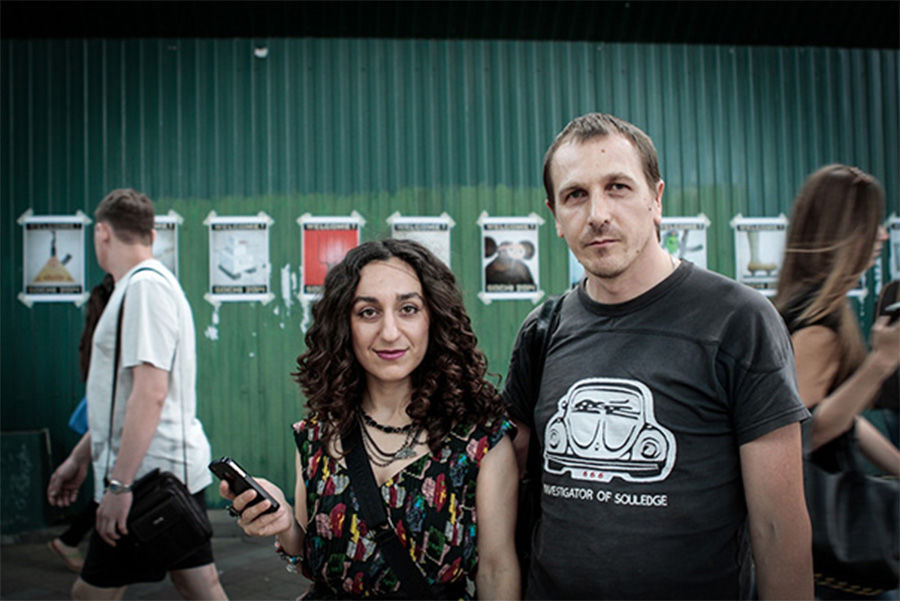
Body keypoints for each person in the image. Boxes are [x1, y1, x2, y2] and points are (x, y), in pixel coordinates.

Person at [503, 113, 813, 599]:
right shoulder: (543, 330)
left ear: (656, 199)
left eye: (618, 187)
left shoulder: (738, 322)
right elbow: (507, 482)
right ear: (556, 217)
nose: (598, 213)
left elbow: (778, 529)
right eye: (575, 195)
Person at [222, 239, 520, 599]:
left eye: (408, 309)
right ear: (343, 324)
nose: (390, 332)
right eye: (368, 312)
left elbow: (496, 570)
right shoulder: (317, 436)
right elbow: (310, 564)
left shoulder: (480, 441)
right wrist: (283, 522)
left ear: (434, 318)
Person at [46, 188, 227, 600]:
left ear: (102, 233)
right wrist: (80, 458)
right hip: (155, 473)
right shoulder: (139, 287)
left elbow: (149, 393)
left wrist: (119, 487)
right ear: (151, 234)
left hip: (148, 480)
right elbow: (122, 398)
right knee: (199, 584)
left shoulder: (144, 289)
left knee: (91, 594)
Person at [773, 166, 900, 598]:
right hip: (828, 533)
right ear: (847, 233)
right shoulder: (819, 323)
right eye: (872, 224)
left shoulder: (811, 307)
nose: (882, 235)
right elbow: (803, 431)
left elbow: (845, 421)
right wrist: (881, 362)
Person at [48, 274, 115, 573]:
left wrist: (79, 459)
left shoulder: (98, 334)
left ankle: (69, 540)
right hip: (114, 443)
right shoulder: (112, 338)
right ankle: (69, 540)